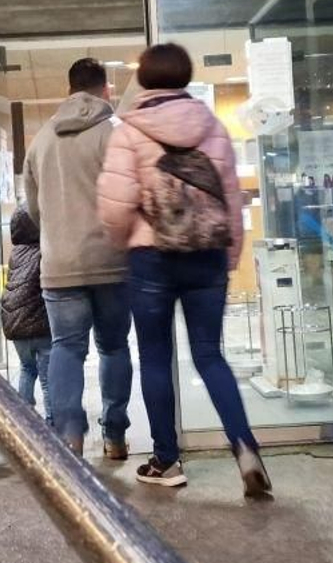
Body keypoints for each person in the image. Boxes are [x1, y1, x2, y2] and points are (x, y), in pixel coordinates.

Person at [97, 43, 270, 497]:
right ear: (186, 77)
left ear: (146, 80)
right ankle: (245, 447)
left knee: (155, 358)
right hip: (207, 254)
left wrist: (126, 244)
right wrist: (228, 257)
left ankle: (167, 460)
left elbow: (115, 207)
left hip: (151, 258)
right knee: (210, 355)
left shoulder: (129, 130)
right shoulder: (213, 127)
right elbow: (233, 199)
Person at [22, 58, 133, 459]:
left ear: (68, 89)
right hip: (112, 262)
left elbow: (32, 209)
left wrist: (56, 230)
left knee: (66, 348)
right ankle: (115, 436)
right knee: (114, 347)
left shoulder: (41, 140)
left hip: (60, 264)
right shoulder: (114, 134)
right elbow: (129, 197)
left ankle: (70, 437)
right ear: (105, 90)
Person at [1, 206, 52, 424]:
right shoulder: (44, 250)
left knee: (27, 369)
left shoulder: (15, 253)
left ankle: (24, 421)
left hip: (15, 324)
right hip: (38, 322)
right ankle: (52, 424)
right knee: (47, 379)